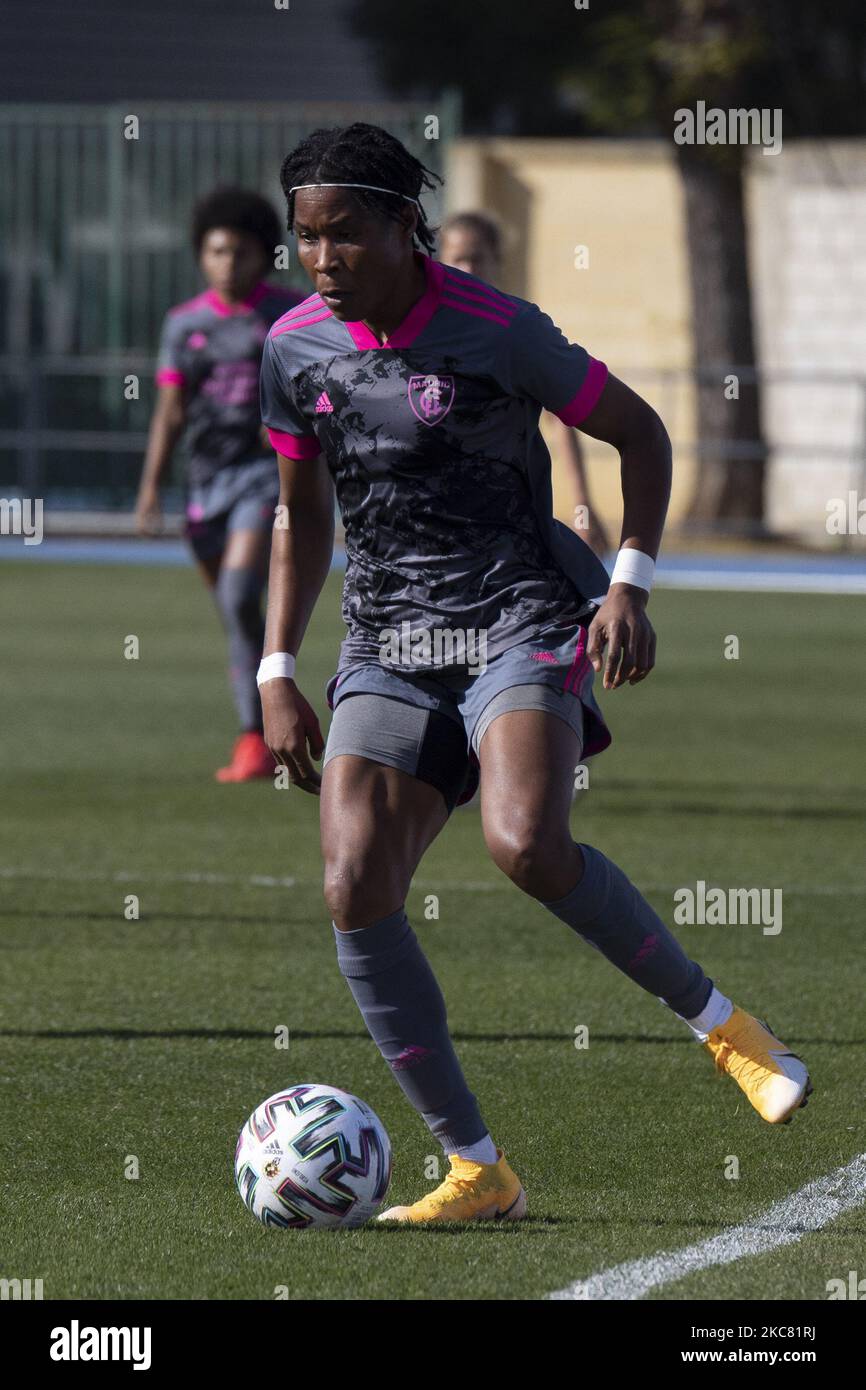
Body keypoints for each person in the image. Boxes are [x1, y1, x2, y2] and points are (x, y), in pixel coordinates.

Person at [257, 123, 811, 1225]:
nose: (323, 259)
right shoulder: (290, 350)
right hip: (386, 639)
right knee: (352, 884)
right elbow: (300, 514)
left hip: (516, 615)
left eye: (346, 234)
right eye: (306, 239)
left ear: (404, 224)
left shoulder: (497, 330)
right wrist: (277, 663)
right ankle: (476, 1170)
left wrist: (628, 586)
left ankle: (728, 1032)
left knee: (524, 842)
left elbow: (639, 433)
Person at [136, 187, 305, 781]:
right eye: (216, 252)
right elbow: (171, 410)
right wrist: (151, 486)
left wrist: (291, 423)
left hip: (264, 480)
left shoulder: (287, 314)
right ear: (200, 256)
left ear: (264, 255)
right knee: (238, 615)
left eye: (240, 252)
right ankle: (271, 714)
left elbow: (320, 386)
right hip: (203, 484)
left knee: (238, 596)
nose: (228, 264)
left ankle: (253, 737)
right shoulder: (185, 324)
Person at [439, 210, 610, 560]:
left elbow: (561, 419)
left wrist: (583, 503)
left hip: (509, 525)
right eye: (459, 259)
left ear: (496, 261)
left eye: (477, 259)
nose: (469, 269)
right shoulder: (421, 333)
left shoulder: (515, 333)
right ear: (440, 260)